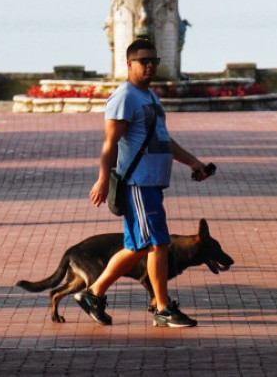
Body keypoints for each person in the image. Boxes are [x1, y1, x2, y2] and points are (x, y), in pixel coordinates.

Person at [76, 37, 212, 328]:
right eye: (143, 61)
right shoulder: (125, 96)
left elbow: (163, 140)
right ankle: (163, 308)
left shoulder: (149, 96)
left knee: (137, 246)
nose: (150, 66)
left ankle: (93, 294)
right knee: (158, 244)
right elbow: (110, 142)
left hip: (152, 184)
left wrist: (193, 162)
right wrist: (102, 179)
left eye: (154, 61)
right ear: (129, 64)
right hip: (138, 184)